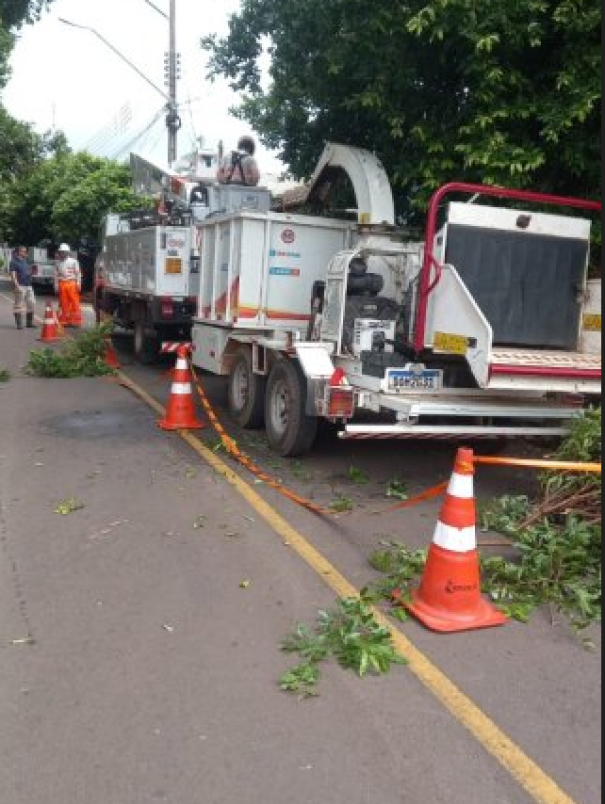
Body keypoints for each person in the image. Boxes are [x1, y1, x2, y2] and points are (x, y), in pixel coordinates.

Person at [54, 243, 82, 328]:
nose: (62, 253)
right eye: (61, 252)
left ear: (67, 252)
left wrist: (78, 284)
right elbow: (55, 275)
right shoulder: (57, 263)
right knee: (64, 303)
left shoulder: (73, 261)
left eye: (64, 252)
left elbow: (78, 273)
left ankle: (75, 322)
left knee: (74, 303)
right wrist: (55, 286)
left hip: (72, 283)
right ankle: (65, 321)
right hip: (62, 283)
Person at [9, 246, 37, 330]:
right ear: (18, 252)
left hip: (28, 285)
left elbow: (28, 274)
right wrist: (16, 285)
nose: (26, 253)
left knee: (31, 303)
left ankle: (29, 323)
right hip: (20, 286)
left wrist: (32, 272)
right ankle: (19, 324)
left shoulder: (25, 261)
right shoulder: (13, 262)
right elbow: (13, 275)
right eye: (24, 251)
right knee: (18, 305)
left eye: (26, 251)